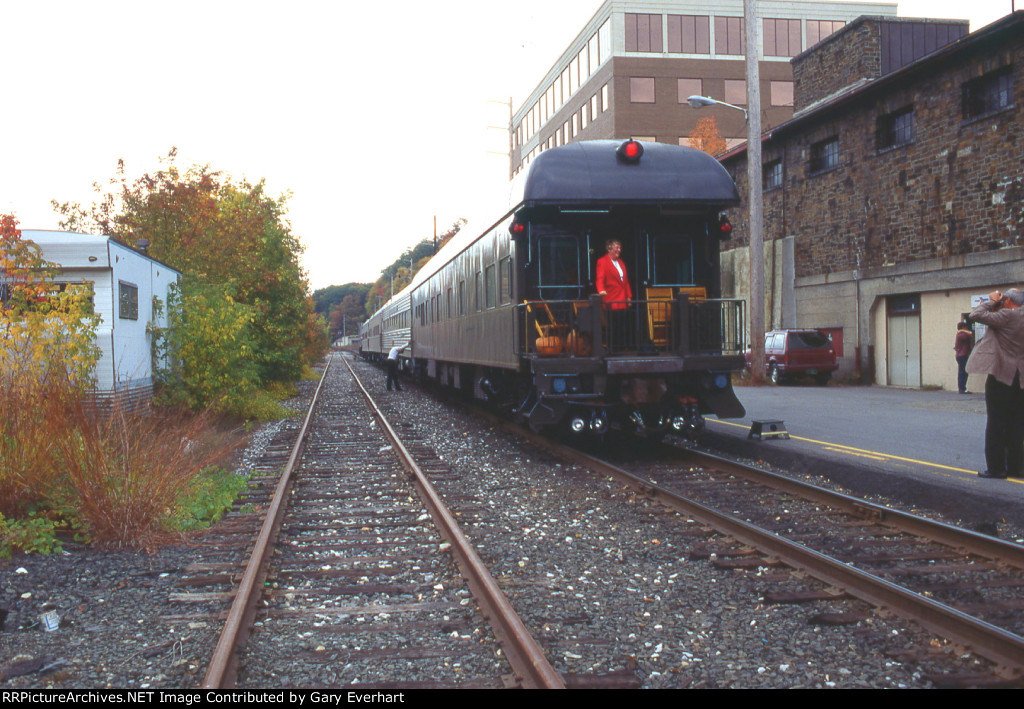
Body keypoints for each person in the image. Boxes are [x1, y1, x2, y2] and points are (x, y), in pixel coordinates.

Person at [966, 289, 1024, 479]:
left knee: (996, 422)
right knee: (1016, 423)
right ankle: (1016, 467)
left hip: (1002, 374)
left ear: (1007, 300)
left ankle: (996, 468)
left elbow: (975, 315)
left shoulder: (1006, 315)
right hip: (1020, 378)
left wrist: (991, 301)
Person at [595, 239, 632, 347]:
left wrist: (629, 297)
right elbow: (600, 278)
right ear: (609, 248)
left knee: (621, 325)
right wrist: (601, 290)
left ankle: (620, 348)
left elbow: (625, 281)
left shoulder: (621, 262)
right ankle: (612, 349)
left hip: (622, 299)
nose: (619, 250)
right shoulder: (602, 261)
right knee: (612, 325)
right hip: (611, 299)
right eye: (617, 248)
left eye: (620, 248)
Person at [954, 321, 974, 394]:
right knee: (963, 372)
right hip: (962, 355)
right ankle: (962, 388)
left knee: (962, 372)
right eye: (965, 327)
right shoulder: (961, 334)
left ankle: (962, 388)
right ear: (963, 327)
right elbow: (970, 334)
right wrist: (965, 331)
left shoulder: (960, 333)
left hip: (961, 355)